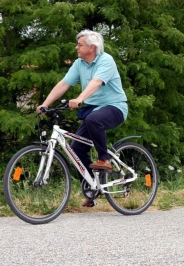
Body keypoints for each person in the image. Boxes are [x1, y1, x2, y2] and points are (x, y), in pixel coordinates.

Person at [36, 29, 128, 207]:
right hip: (93, 110)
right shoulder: (79, 63)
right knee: (77, 149)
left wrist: (79, 99)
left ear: (92, 48)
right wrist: (45, 104)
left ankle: (105, 160)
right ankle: (92, 188)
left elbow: (96, 82)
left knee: (93, 120)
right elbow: (64, 84)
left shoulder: (106, 60)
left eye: (80, 44)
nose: (76, 47)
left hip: (115, 107)